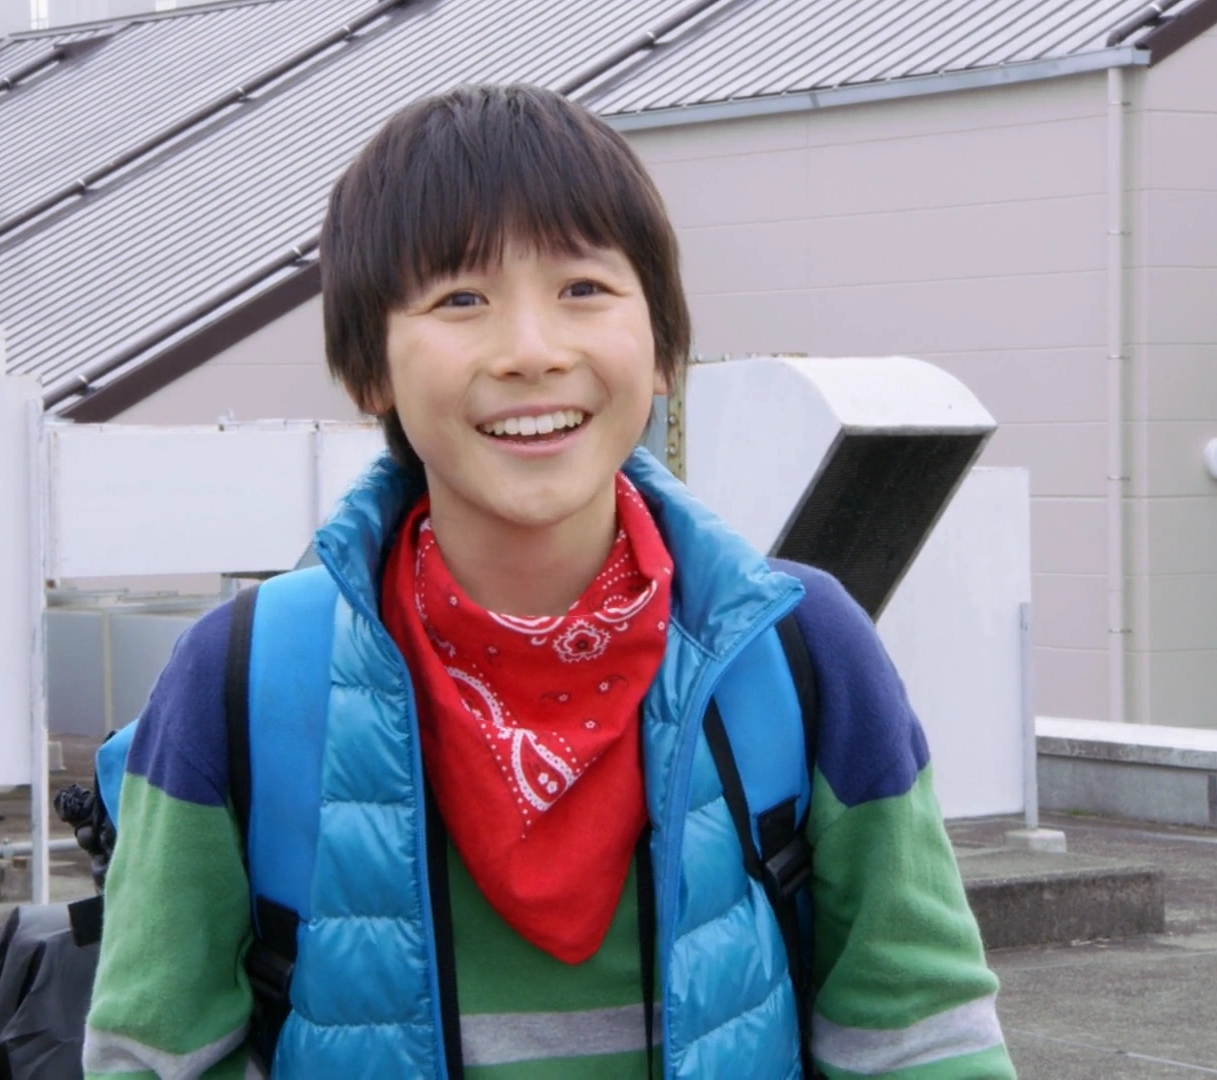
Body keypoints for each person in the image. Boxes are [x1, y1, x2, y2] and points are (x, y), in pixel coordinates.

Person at [83, 83, 1013, 1079]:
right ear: (369, 371)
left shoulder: (799, 649)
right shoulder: (244, 674)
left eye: (584, 289)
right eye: (460, 300)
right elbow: (152, 1057)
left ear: (663, 348)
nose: (532, 352)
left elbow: (923, 1041)